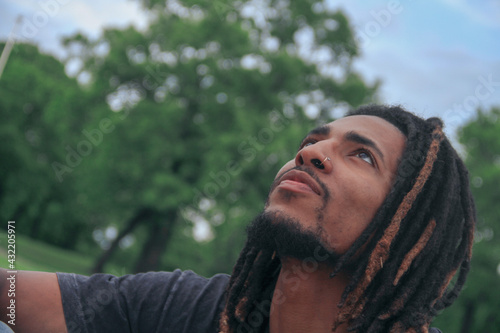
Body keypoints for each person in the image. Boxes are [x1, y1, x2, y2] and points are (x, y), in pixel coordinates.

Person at [0, 104, 475, 333]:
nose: (312, 152)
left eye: (363, 157)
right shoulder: (187, 310)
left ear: (411, 231)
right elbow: (14, 299)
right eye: (314, 139)